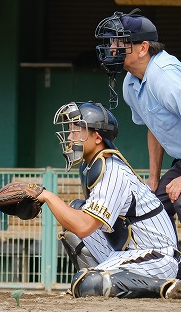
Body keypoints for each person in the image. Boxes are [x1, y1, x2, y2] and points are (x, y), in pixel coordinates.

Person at [37, 101, 181, 298]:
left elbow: (84, 226)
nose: (70, 138)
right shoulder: (91, 166)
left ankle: (166, 286)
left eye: (76, 131)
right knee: (76, 210)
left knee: (88, 283)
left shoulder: (112, 170)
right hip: (129, 251)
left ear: (97, 137)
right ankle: (99, 282)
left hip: (156, 257)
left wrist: (46, 196)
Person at [94, 9, 181, 225]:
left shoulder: (165, 76)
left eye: (119, 42)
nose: (112, 48)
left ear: (143, 48)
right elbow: (154, 127)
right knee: (152, 210)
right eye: (111, 42)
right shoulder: (130, 83)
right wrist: (153, 178)